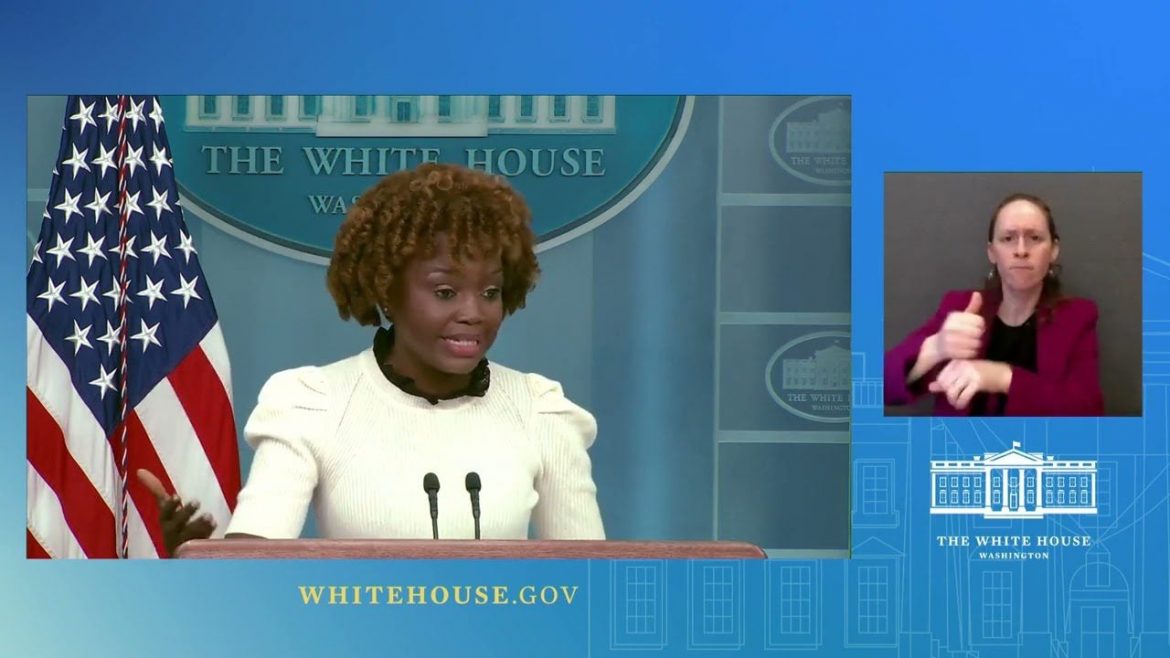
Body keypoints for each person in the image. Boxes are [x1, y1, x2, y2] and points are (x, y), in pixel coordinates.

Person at [138, 163, 605, 556]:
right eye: (445, 291)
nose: (474, 313)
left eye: (490, 292)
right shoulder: (313, 403)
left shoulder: (541, 410)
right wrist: (206, 560)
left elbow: (593, 583)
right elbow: (257, 560)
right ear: (386, 289)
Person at [884, 192, 1103, 416]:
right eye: (1008, 238)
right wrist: (935, 347)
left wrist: (1000, 377)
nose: (1021, 250)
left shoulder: (1078, 316)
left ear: (1054, 250)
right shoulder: (960, 306)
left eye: (1035, 238)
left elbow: (1088, 412)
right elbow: (878, 386)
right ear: (992, 252)